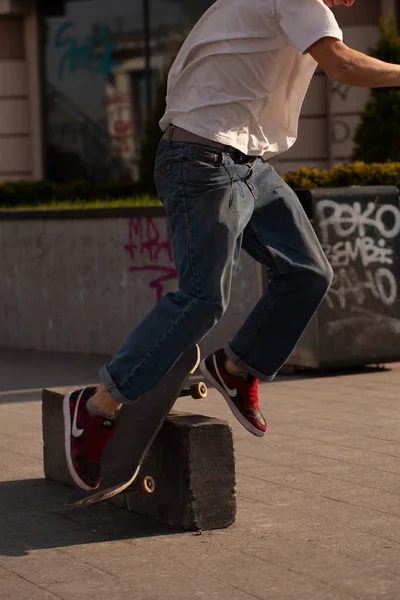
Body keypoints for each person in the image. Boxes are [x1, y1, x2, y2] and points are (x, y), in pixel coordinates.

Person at [64, 0, 399, 491]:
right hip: (200, 160)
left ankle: (238, 367)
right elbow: (343, 65)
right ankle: (97, 406)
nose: (351, 1)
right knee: (202, 299)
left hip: (246, 163)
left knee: (307, 272)